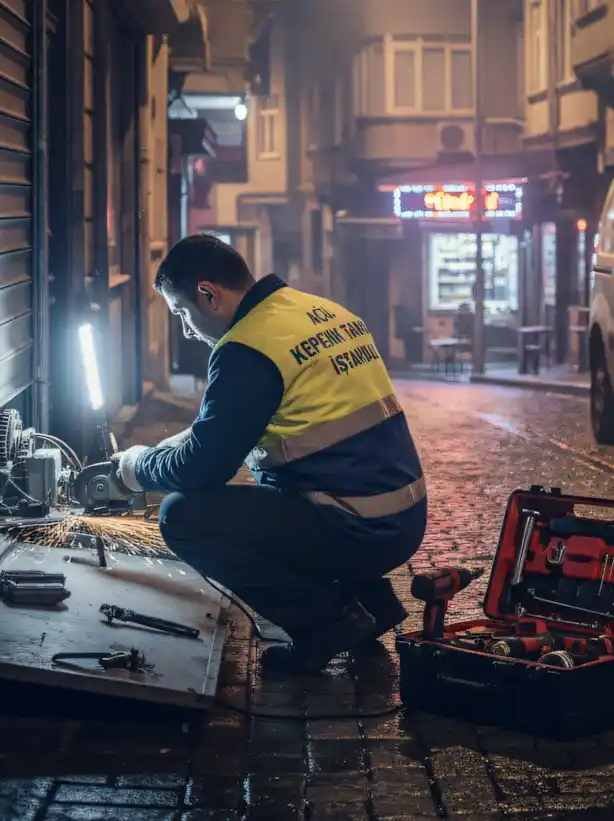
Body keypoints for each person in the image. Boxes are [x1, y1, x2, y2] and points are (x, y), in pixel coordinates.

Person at [112, 234, 427, 675]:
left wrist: (137, 468)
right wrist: (177, 442)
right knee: (283, 488)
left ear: (208, 294)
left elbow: (205, 468)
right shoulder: (314, 311)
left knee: (181, 516)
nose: (186, 329)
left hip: (358, 529)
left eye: (182, 313)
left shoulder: (245, 348)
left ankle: (327, 623)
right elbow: (239, 419)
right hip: (401, 517)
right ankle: (372, 602)